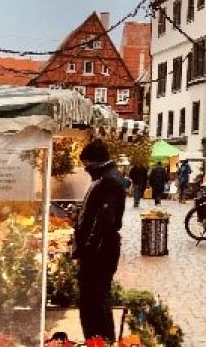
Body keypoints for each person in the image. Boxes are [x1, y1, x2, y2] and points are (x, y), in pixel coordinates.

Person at [72, 140, 127, 342]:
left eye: (86, 164)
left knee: (95, 301)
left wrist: (87, 246)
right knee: (94, 300)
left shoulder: (109, 181)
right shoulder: (106, 178)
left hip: (100, 252)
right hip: (100, 249)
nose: (85, 168)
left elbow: (104, 219)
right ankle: (97, 340)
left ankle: (101, 341)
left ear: (95, 161)